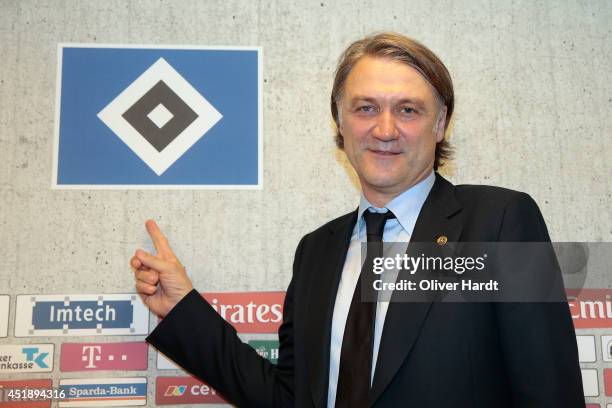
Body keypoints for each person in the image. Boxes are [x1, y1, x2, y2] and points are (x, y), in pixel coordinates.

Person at [131, 32, 584, 407]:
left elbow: (550, 393)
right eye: (365, 108)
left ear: (441, 122)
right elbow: (287, 398)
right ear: (340, 122)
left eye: (408, 109)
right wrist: (183, 310)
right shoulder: (316, 252)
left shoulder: (499, 223)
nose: (384, 130)